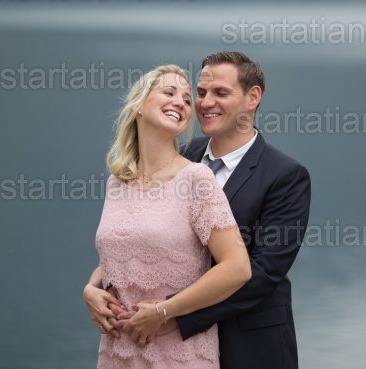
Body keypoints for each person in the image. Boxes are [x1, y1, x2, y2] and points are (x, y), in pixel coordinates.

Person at [96, 52, 312, 369]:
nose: (205, 103)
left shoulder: (285, 175)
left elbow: (263, 273)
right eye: (201, 92)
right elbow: (142, 237)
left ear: (252, 97)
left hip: (249, 345)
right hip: (160, 341)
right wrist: (93, 288)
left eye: (220, 93)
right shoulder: (181, 156)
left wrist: (174, 315)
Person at [83, 64, 251, 369]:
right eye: (169, 92)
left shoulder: (196, 179)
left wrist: (164, 311)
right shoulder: (117, 182)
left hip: (177, 354)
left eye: (186, 99)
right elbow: (125, 253)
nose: (181, 103)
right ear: (138, 105)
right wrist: (91, 290)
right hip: (117, 353)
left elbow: (237, 268)